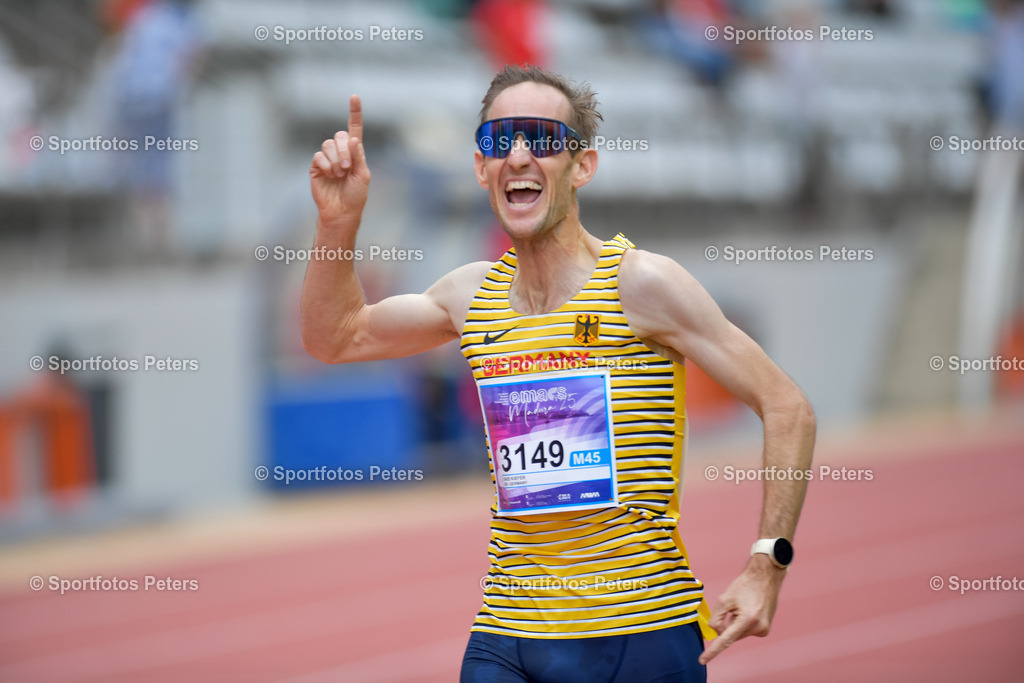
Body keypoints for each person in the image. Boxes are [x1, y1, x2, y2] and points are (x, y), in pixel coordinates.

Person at [301, 65, 816, 681]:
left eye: (542, 139)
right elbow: (334, 338)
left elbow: (787, 406)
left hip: (638, 632)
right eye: (499, 141)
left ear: (583, 166)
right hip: (507, 631)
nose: (518, 155)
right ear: (480, 168)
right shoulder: (469, 297)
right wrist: (338, 223)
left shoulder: (640, 285)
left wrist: (767, 563)